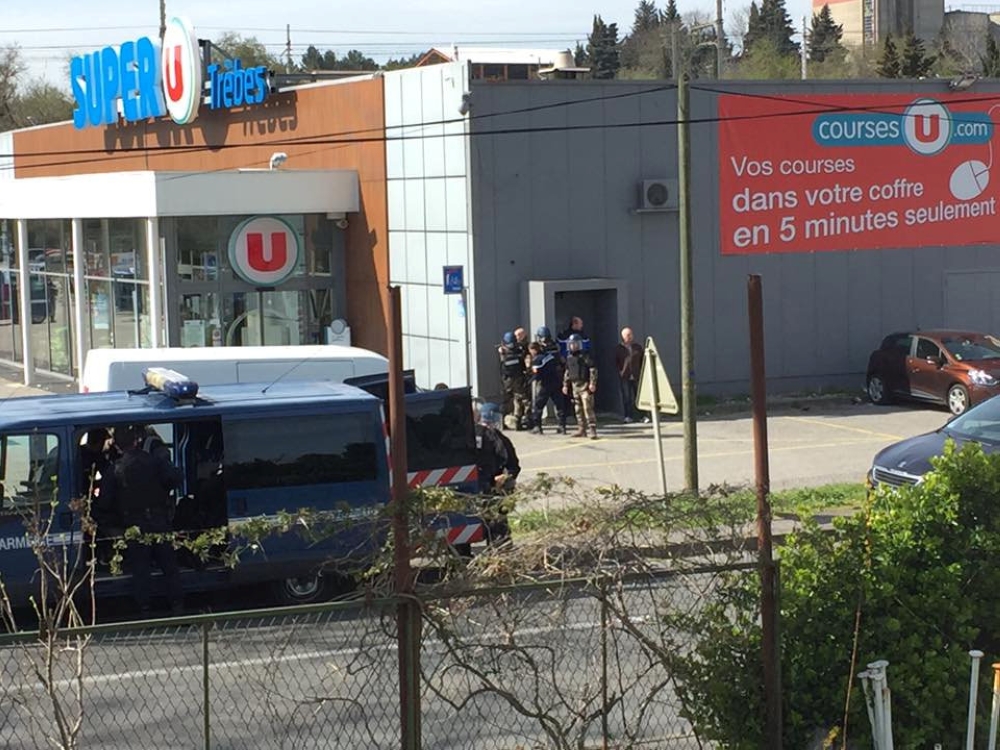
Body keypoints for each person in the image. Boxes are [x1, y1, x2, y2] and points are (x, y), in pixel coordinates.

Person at [106, 423, 185, 616]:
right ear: (137, 441)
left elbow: (105, 503)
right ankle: (177, 607)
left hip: (134, 525)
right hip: (159, 520)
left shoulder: (114, 470)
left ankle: (145, 610)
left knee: (140, 569)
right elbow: (176, 478)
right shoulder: (154, 462)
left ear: (116, 446)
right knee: (169, 566)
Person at [472, 400, 520, 544]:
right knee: (497, 525)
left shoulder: (466, 435)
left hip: (469, 488)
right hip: (492, 489)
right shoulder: (496, 437)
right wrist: (506, 477)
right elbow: (511, 462)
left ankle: (462, 556)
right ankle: (500, 552)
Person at [563, 333, 598, 439]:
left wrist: (592, 383)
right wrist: (565, 385)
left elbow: (593, 370)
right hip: (574, 386)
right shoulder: (569, 357)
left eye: (575, 344)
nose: (573, 346)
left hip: (585, 385)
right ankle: (581, 429)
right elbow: (567, 372)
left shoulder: (585, 356)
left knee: (588, 407)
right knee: (578, 409)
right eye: (571, 344)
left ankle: (592, 429)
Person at [528, 341, 566, 434]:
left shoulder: (537, 360)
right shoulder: (550, 356)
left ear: (533, 350)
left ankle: (538, 427)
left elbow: (536, 374)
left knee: (538, 406)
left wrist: (529, 381)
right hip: (556, 382)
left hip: (545, 385)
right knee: (559, 405)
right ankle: (562, 426)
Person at [497, 330, 530, 430]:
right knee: (520, 400)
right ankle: (518, 423)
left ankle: (503, 423)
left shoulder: (503, 351)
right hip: (518, 379)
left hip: (507, 380)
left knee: (506, 401)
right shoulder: (518, 350)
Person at [615, 327, 649, 424]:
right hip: (625, 377)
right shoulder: (619, 349)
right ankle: (628, 416)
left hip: (637, 376)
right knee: (627, 397)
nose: (630, 337)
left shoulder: (637, 347)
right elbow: (616, 362)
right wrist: (620, 372)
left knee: (639, 397)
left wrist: (642, 371)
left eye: (631, 334)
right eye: (628, 335)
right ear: (623, 337)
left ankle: (643, 416)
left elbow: (642, 360)